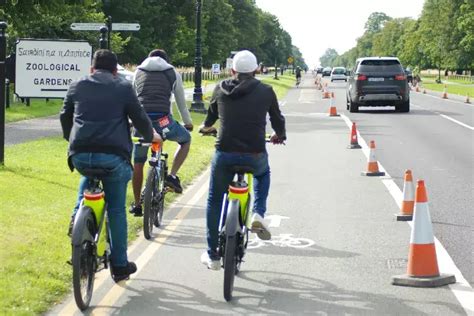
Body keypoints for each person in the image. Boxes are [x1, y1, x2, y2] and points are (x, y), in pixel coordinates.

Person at [60, 49, 162, 281]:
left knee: (87, 180)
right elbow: (139, 118)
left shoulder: (77, 85)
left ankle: (77, 218)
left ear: (91, 68)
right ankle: (119, 265)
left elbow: (65, 116)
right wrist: (150, 135)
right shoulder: (123, 87)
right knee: (116, 209)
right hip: (114, 158)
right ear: (116, 71)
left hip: (80, 155)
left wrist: (72, 140)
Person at [199, 50, 286, 270]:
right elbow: (277, 118)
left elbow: (210, 118)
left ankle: (213, 256)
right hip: (255, 152)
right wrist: (280, 135)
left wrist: (207, 127)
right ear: (257, 70)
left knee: (214, 200)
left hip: (225, 152)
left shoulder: (220, 88)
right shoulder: (266, 90)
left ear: (232, 70)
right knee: (263, 174)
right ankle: (258, 212)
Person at [129, 49, 193, 217]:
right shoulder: (172, 72)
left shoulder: (138, 71)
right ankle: (171, 176)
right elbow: (181, 103)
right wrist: (188, 123)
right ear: (166, 60)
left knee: (138, 162)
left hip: (142, 123)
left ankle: (137, 205)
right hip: (164, 122)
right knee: (186, 139)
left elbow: (133, 98)